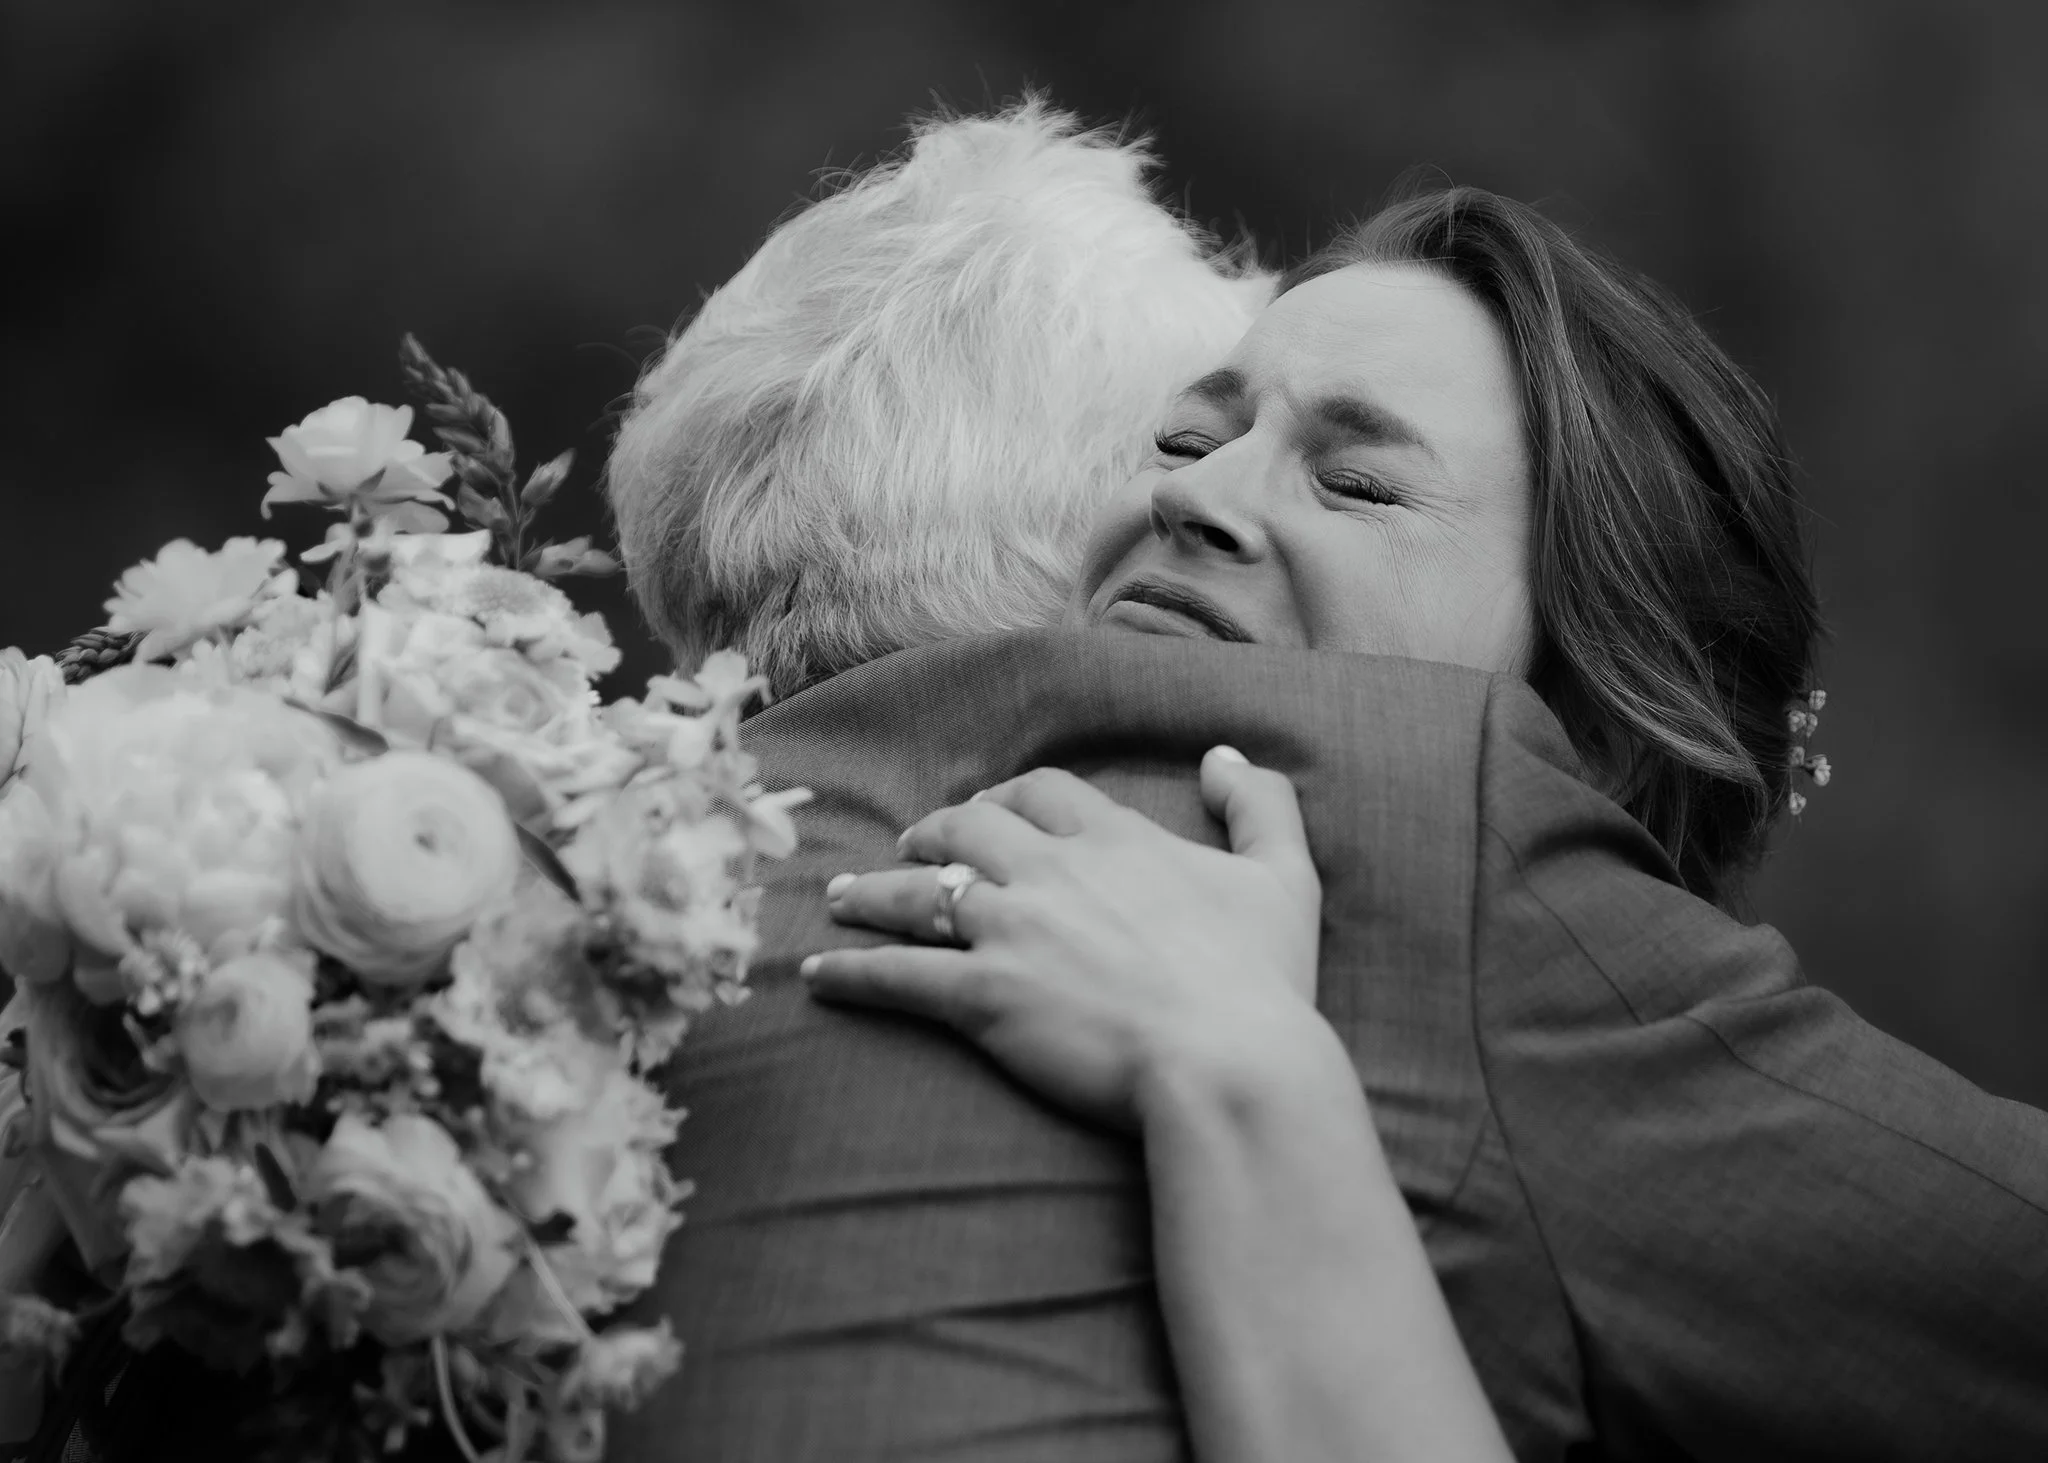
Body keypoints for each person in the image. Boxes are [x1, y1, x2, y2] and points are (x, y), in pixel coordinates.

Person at [604, 108, 2048, 1463]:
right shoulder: (1394, 814)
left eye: (1356, 485)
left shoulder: (665, 833)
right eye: (1185, 435)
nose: (1195, 491)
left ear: (1591, 723)